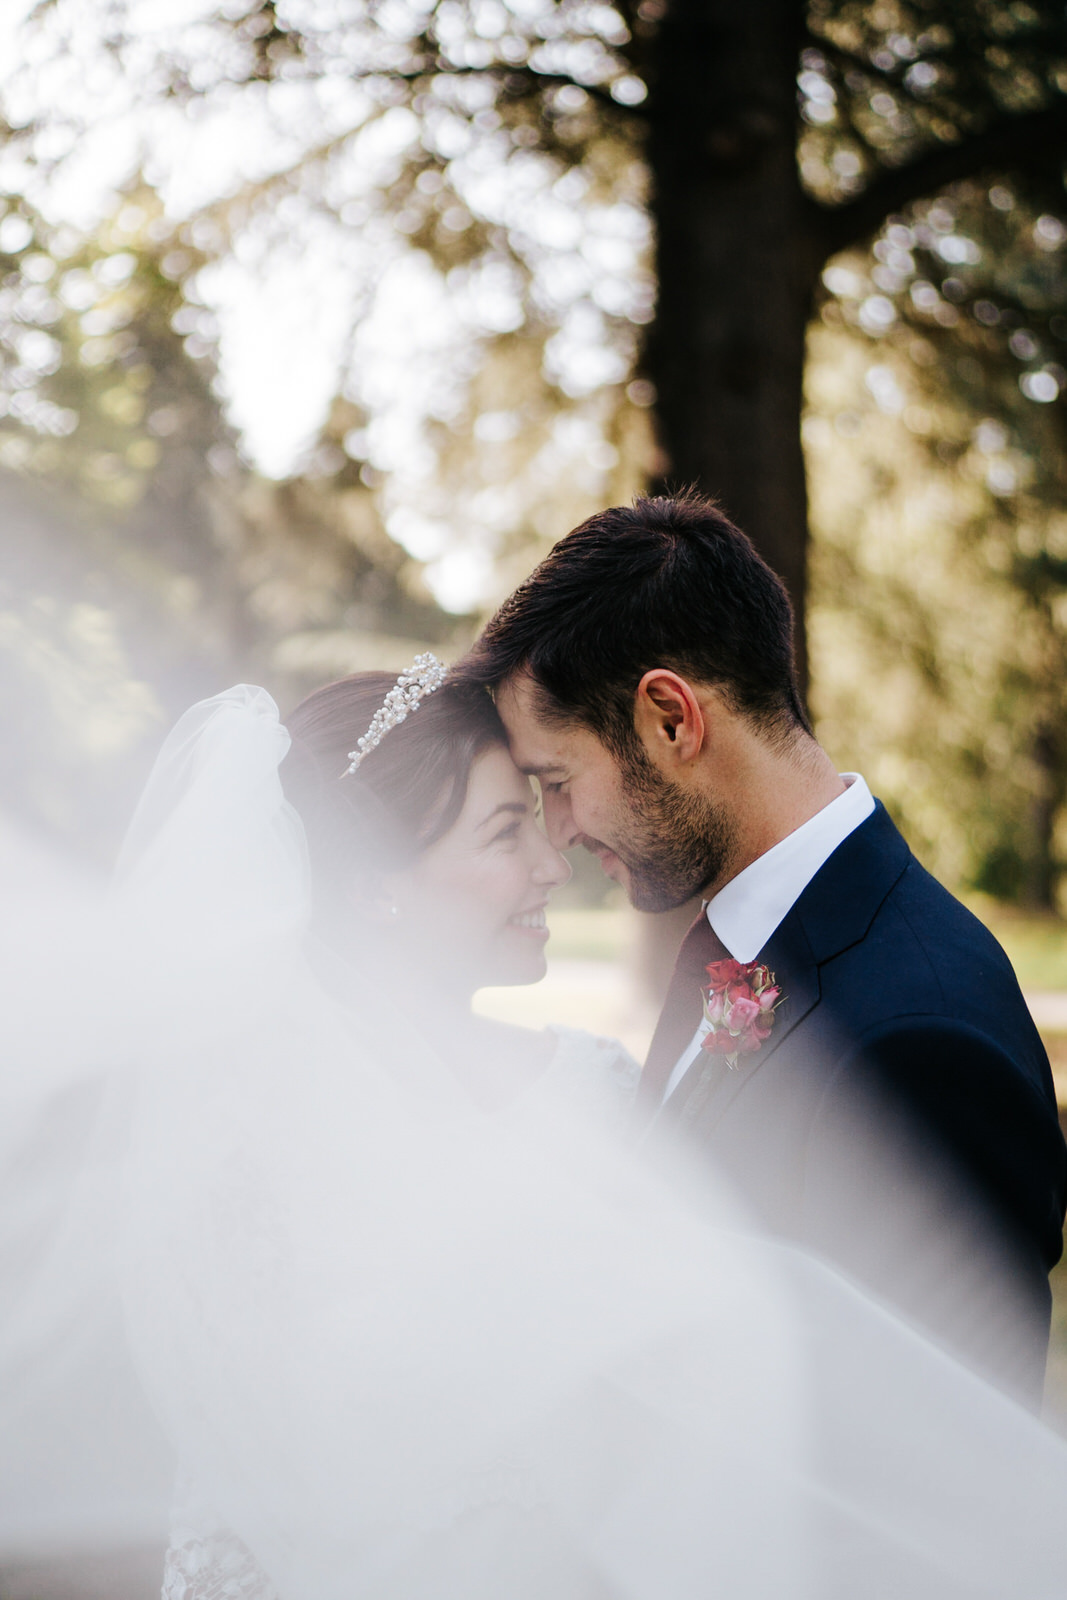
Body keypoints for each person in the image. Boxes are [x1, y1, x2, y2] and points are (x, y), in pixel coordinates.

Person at [13, 657, 1067, 1600]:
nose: (550, 861)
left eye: (542, 805)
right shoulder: (258, 1166)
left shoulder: (597, 1085)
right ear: (378, 888)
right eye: (506, 828)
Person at [460, 490, 1067, 1405]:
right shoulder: (735, 943)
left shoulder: (917, 1035)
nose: (559, 833)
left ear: (671, 718)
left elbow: (942, 1484)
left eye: (556, 779)